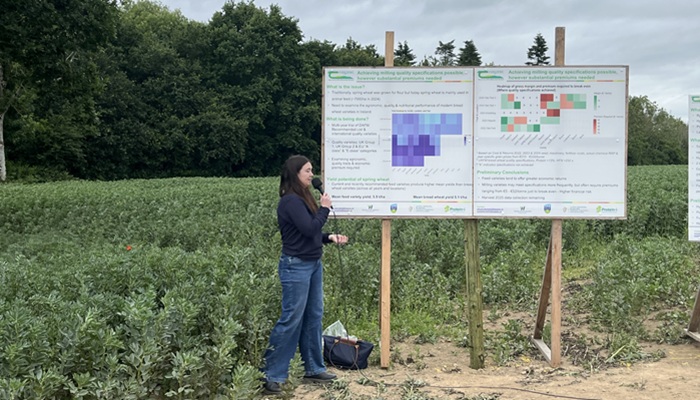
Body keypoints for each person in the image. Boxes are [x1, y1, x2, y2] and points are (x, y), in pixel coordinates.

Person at [262, 155, 348, 395]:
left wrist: (329, 237)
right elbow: (310, 227)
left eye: (312, 171)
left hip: (312, 263)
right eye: (307, 171)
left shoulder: (303, 198)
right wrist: (324, 208)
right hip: (295, 266)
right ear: (295, 173)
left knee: (313, 316)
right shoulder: (290, 201)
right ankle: (271, 374)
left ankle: (313, 368)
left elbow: (310, 233)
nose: (312, 175)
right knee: (291, 318)